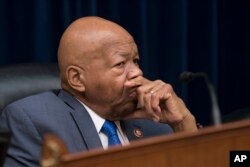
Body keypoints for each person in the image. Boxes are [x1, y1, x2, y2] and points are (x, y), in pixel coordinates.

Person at [0, 16, 197, 167]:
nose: (138, 72)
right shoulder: (33, 119)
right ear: (77, 79)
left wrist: (183, 123)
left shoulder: (156, 120)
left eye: (135, 61)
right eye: (120, 64)